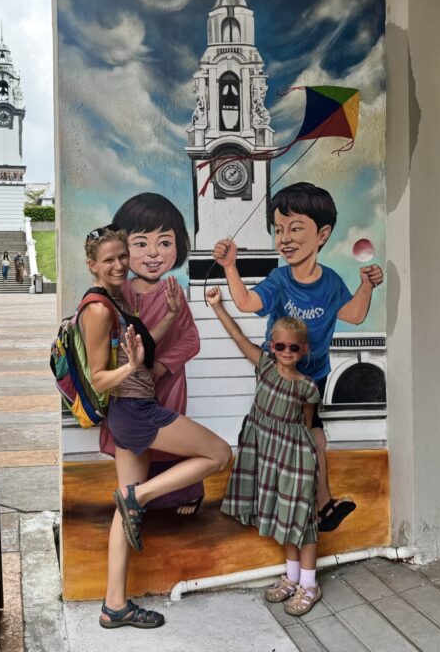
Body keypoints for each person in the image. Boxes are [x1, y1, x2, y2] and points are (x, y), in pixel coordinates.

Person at [80, 226, 231, 630]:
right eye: (108, 259)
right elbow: (98, 378)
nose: (118, 265)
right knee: (219, 455)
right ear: (92, 264)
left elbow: (145, 346)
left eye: (120, 257)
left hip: (132, 412)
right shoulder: (97, 309)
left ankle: (114, 606)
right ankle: (139, 495)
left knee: (124, 508)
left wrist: (167, 316)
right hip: (136, 413)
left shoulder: (117, 301)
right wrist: (129, 368)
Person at [213, 182, 383, 531]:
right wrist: (231, 267)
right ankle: (313, 507)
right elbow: (247, 304)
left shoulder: (332, 281)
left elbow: (353, 315)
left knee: (310, 439)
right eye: (278, 230)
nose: (284, 238)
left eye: (294, 228)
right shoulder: (279, 279)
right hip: (278, 378)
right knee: (301, 439)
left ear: (322, 234)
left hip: (313, 379)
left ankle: (318, 507)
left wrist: (367, 285)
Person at [207, 285, 322, 616]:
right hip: (268, 453)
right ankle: (292, 578)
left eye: (294, 347)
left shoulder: (307, 387)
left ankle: (309, 585)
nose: (287, 351)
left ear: (303, 350)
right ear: (272, 346)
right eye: (281, 345)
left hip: (296, 458)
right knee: (284, 518)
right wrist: (217, 306)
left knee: (303, 520)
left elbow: (306, 426)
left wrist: (314, 470)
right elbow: (240, 338)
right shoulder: (265, 366)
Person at [103, 192, 205, 516]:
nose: (153, 254)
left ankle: (185, 493)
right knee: (137, 443)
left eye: (164, 243)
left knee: (171, 442)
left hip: (166, 383)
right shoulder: (118, 294)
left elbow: (191, 339)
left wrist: (162, 366)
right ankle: (139, 498)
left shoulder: (173, 293)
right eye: (141, 243)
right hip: (129, 387)